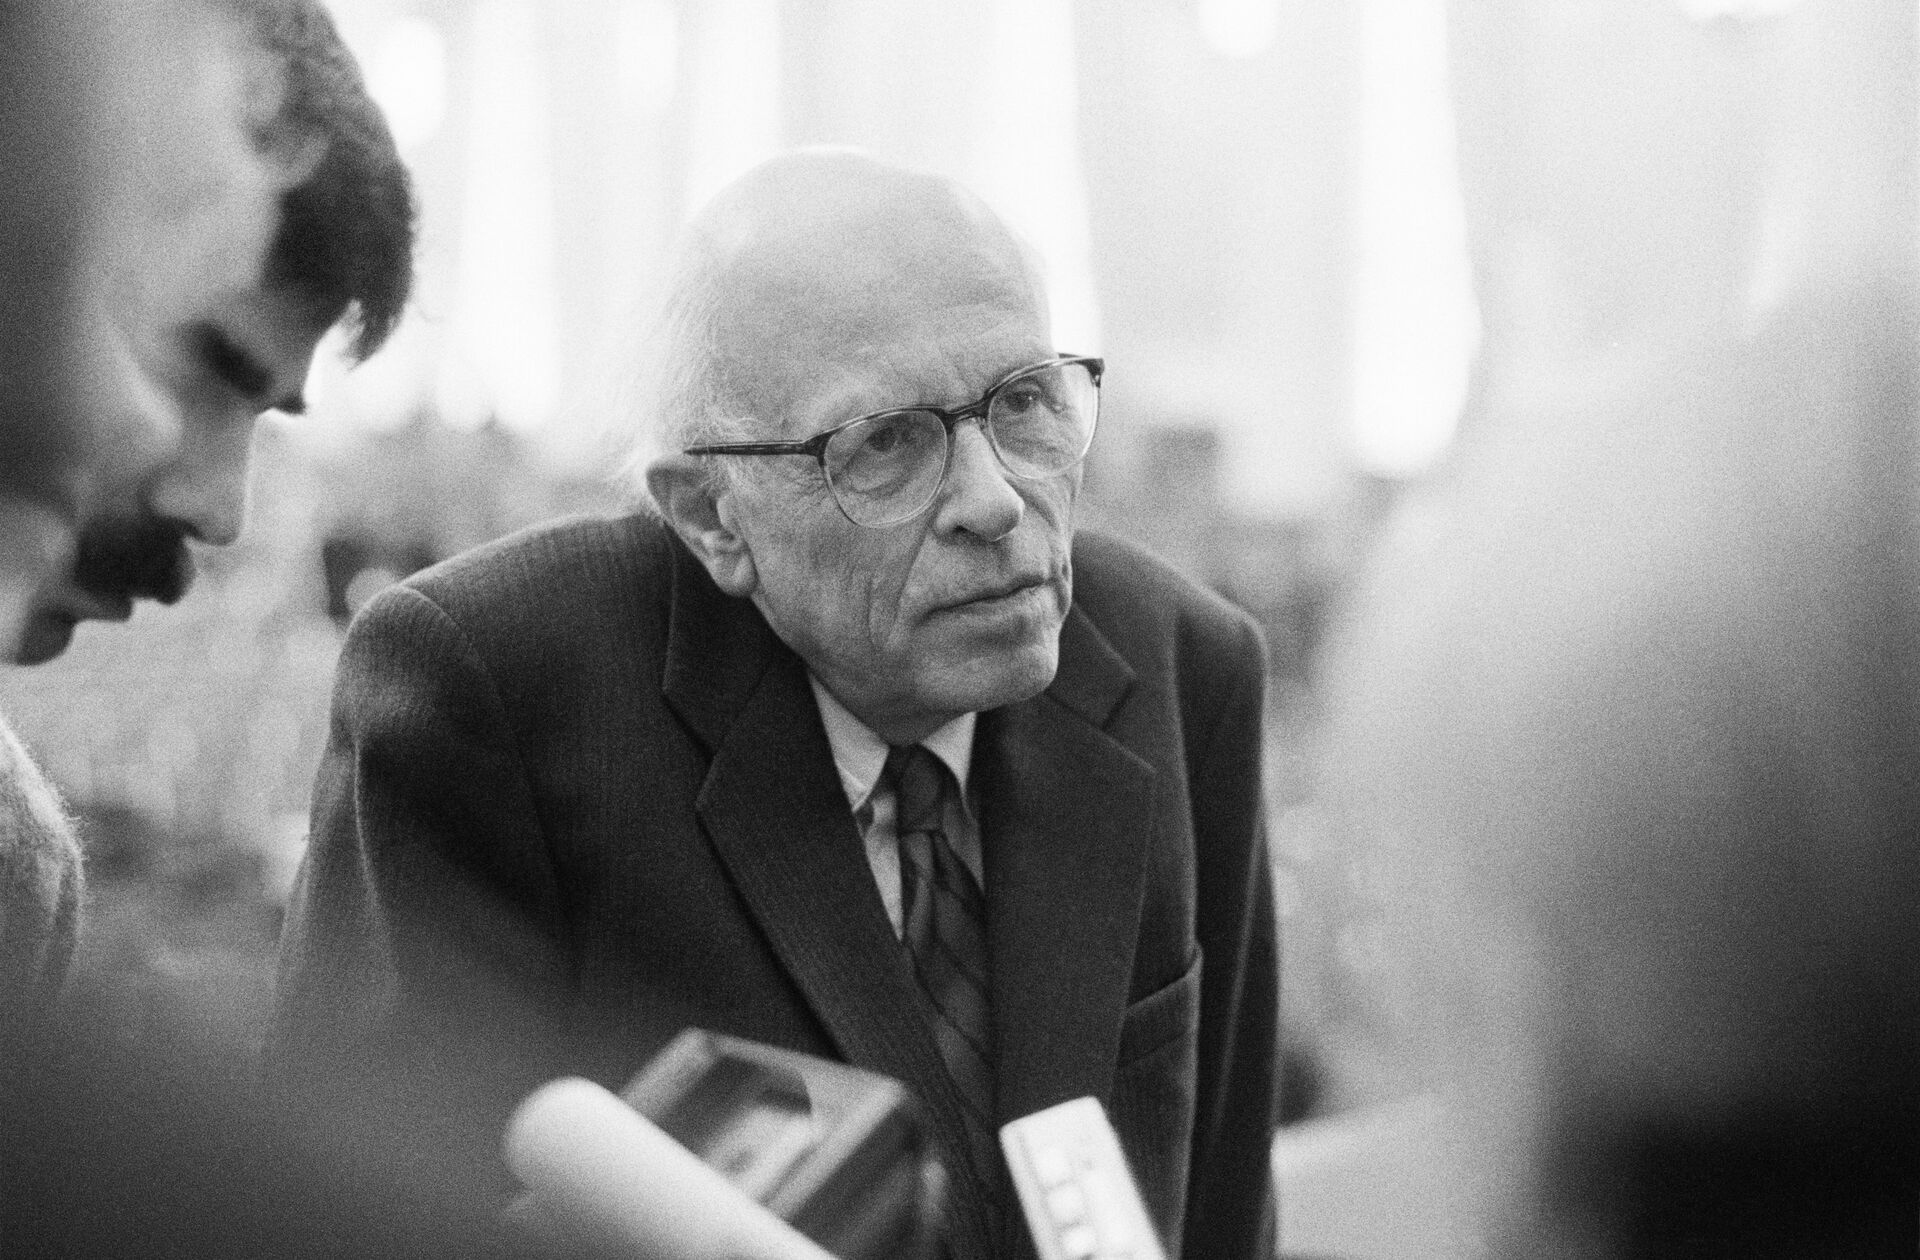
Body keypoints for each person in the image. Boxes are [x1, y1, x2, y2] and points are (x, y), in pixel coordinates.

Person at [272, 150, 1280, 1260]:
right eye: (886, 443)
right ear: (712, 516)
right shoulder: (492, 694)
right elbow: (358, 1222)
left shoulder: (1181, 666)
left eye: (1025, 402)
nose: (994, 502)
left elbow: (1224, 1216)